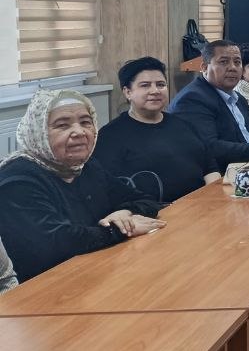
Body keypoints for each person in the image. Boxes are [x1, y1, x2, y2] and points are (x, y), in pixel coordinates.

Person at [0, 89, 165, 282]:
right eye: (62, 125)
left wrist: (124, 214)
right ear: (38, 133)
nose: (79, 132)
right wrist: (118, 230)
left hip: (97, 269)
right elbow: (56, 244)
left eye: (86, 122)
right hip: (46, 286)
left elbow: (144, 199)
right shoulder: (17, 180)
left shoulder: (85, 166)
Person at [95, 57, 222, 202]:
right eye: (145, 85)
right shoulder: (110, 136)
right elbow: (110, 189)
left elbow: (210, 167)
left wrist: (212, 197)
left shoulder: (183, 124)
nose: (155, 91)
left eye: (161, 85)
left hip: (204, 203)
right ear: (127, 92)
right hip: (154, 212)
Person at [169, 40, 249, 172]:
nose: (233, 67)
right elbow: (210, 147)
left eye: (237, 62)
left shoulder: (238, 98)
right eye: (224, 62)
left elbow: (248, 136)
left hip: (246, 170)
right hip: (216, 177)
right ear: (204, 67)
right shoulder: (193, 99)